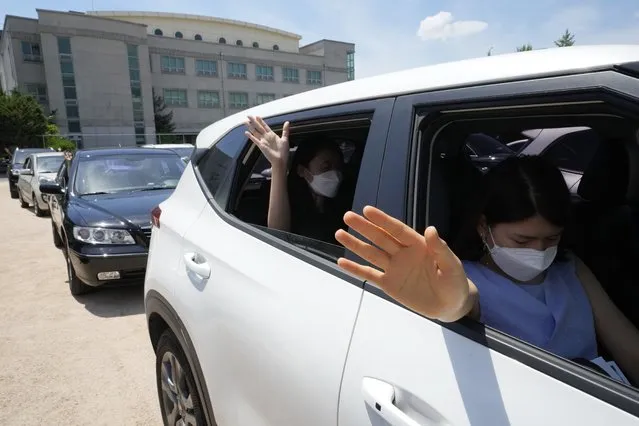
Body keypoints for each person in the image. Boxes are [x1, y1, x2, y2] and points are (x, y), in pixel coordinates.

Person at [335, 155, 639, 385]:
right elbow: (462, 300)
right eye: (522, 240)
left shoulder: (570, 266)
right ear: (484, 227)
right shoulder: (461, 276)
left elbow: (627, 345)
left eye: (552, 238)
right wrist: (450, 304)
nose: (539, 250)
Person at [245, 116, 351, 243]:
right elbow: (279, 234)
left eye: (338, 167)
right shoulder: (289, 203)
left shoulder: (345, 205)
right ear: (302, 171)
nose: (335, 174)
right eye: (326, 167)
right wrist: (279, 164)